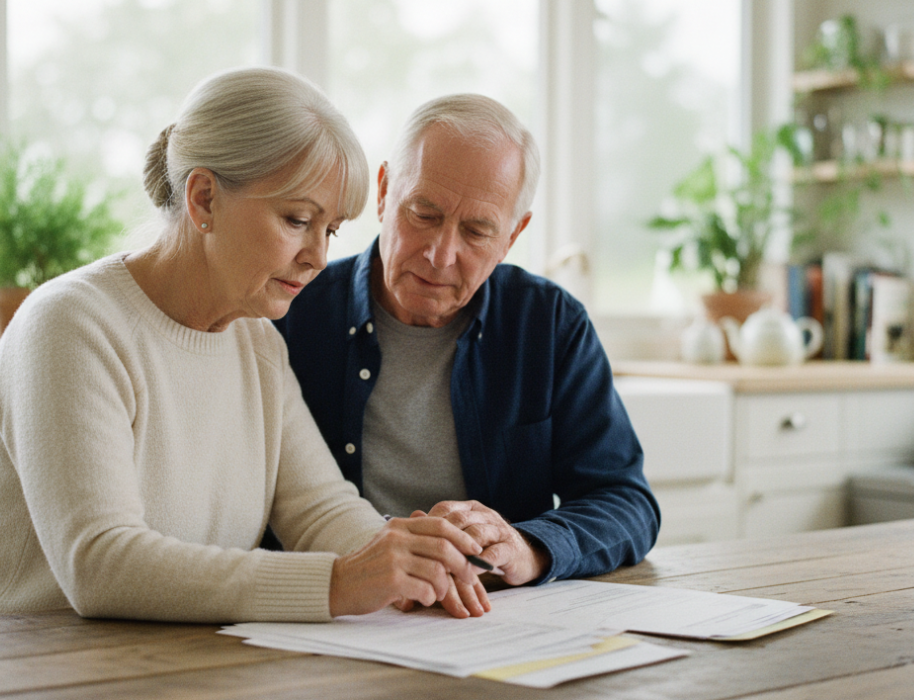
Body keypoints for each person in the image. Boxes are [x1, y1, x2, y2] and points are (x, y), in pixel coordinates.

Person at [0, 68, 492, 624]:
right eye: (298, 219)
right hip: (10, 669)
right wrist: (338, 582)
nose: (318, 257)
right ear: (203, 198)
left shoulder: (257, 345)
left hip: (164, 665)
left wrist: (411, 563)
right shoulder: (71, 325)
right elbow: (101, 565)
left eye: (330, 231)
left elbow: (320, 510)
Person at [273, 94, 661, 597]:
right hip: (338, 609)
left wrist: (529, 545)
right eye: (424, 215)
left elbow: (625, 501)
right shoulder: (289, 312)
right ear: (385, 193)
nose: (440, 255)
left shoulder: (549, 324)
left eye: (477, 231)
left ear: (513, 235)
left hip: (492, 619)